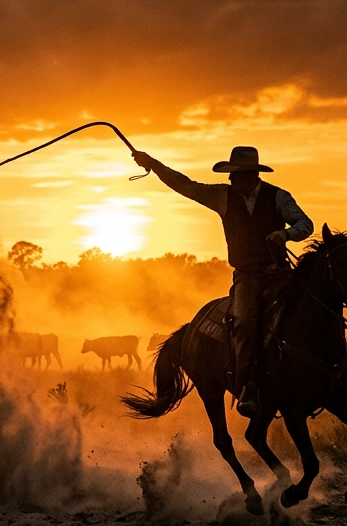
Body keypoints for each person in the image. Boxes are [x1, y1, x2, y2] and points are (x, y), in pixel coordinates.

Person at [131, 146, 312, 416]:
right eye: (231, 176)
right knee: (245, 324)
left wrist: (286, 235)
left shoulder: (278, 197)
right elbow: (185, 186)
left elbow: (305, 224)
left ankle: (342, 375)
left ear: (250, 175)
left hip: (279, 273)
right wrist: (154, 165)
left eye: (235, 175)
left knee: (315, 308)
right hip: (248, 277)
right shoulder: (222, 196)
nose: (231, 180)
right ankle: (246, 387)